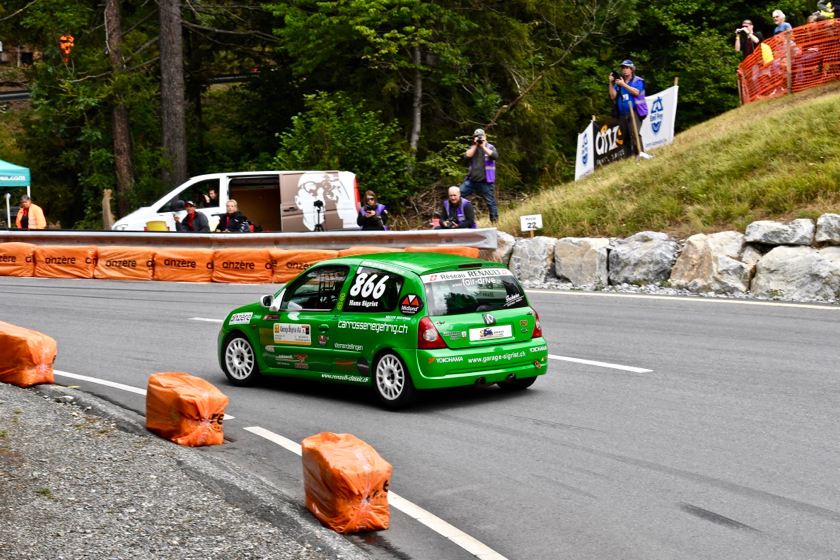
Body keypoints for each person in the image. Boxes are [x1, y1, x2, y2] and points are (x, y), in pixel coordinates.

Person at [609, 59, 652, 160]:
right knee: (625, 136)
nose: (624, 70)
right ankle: (628, 158)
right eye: (623, 68)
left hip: (636, 111)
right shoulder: (619, 82)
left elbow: (636, 92)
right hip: (623, 113)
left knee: (634, 132)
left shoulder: (637, 80)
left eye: (627, 68)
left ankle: (641, 153)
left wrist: (624, 85)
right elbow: (613, 96)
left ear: (632, 69)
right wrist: (611, 83)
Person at [458, 128, 499, 223]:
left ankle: (495, 222)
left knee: (490, 202)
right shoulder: (472, 148)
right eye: (476, 137)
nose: (479, 138)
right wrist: (476, 146)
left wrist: (483, 146)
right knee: (457, 195)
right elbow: (466, 157)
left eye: (481, 136)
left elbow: (495, 156)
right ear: (474, 139)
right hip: (471, 181)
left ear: (485, 137)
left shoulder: (490, 147)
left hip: (485, 182)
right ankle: (453, 217)